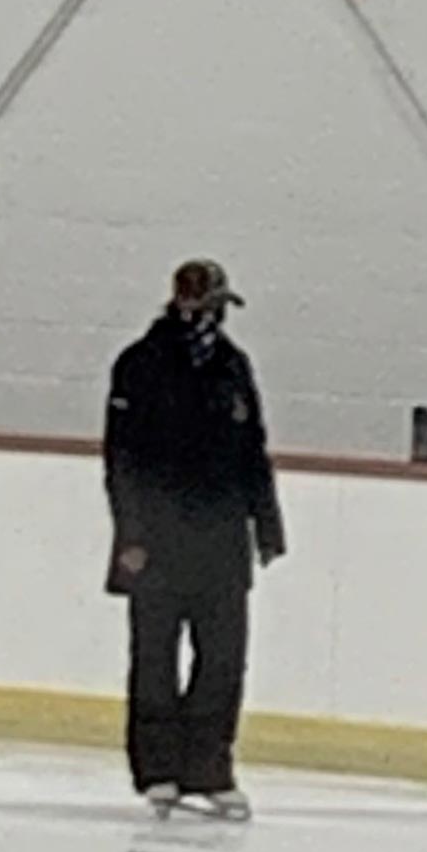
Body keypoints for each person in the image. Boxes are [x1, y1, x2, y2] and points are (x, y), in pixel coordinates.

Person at [105, 259, 285, 820]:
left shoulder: (234, 367)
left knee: (223, 658)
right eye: (209, 306)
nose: (215, 318)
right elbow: (121, 460)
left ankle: (209, 765)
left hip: (221, 539)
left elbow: (253, 450)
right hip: (157, 538)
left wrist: (267, 523)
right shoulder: (141, 365)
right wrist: (129, 534)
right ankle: (157, 766)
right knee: (155, 656)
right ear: (186, 303)